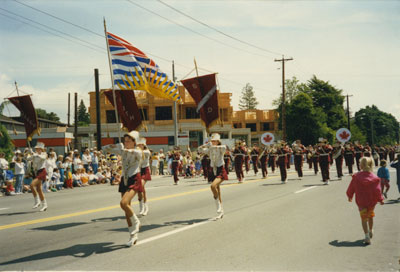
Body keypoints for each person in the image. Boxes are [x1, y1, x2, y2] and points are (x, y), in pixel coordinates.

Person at [103, 131, 143, 247]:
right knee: (127, 210)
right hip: (124, 180)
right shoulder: (122, 148)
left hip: (134, 178)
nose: (126, 143)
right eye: (125, 141)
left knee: (123, 203)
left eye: (128, 141)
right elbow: (104, 149)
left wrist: (123, 149)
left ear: (134, 142)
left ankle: (136, 222)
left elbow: (135, 152)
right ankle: (133, 235)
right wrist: (112, 147)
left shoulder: (138, 151)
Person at [346, 157, 384, 245]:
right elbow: (378, 190)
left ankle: (366, 236)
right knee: (370, 216)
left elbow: (351, 187)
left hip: (361, 201)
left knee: (363, 218)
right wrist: (381, 199)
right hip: (371, 201)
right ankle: (371, 230)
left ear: (361, 165)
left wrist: (350, 195)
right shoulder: (375, 178)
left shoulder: (356, 177)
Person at [198, 133, 227, 219]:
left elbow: (224, 147)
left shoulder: (221, 148)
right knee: (218, 191)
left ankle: (218, 206)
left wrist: (212, 146)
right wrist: (206, 145)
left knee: (213, 186)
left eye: (215, 141)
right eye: (212, 141)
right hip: (213, 170)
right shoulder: (209, 149)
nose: (213, 142)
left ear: (218, 141)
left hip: (220, 169)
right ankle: (221, 210)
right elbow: (199, 149)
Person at [28, 142, 48, 211]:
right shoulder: (35, 155)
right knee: (39, 190)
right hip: (36, 172)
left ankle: (37, 201)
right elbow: (27, 159)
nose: (36, 150)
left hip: (42, 171)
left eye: (38, 149)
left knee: (31, 185)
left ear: (41, 149)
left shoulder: (44, 154)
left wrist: (34, 154)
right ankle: (44, 205)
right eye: (36, 149)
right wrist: (28, 153)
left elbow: (42, 157)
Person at [138, 138, 151, 216]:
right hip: (139, 170)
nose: (138, 146)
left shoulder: (147, 152)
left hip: (145, 170)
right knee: (140, 190)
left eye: (140, 144)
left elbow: (142, 152)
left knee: (141, 185)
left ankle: (145, 207)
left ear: (143, 145)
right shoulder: (137, 152)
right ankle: (141, 207)